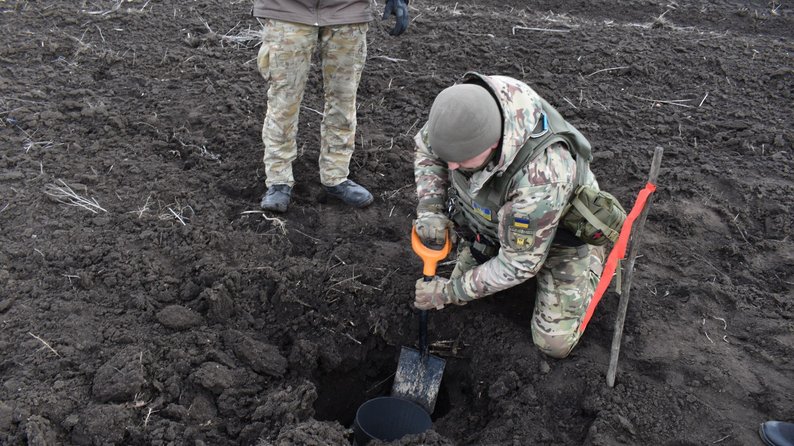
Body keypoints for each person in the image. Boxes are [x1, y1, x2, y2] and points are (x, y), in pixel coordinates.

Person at [412, 72, 614, 359]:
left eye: (462, 158)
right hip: (496, 219)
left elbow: (519, 264)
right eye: (449, 158)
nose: (453, 166)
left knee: (553, 345)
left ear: (492, 144)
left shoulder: (540, 178)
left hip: (556, 233)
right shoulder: (460, 115)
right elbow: (427, 149)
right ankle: (493, 238)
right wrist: (431, 209)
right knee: (464, 299)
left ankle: (591, 260)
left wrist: (448, 292)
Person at [253, 0, 409, 212]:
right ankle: (278, 179)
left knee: (343, 100)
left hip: (347, 11)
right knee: (283, 102)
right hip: (287, 10)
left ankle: (336, 176)